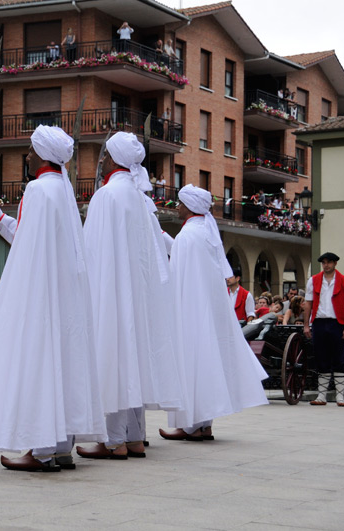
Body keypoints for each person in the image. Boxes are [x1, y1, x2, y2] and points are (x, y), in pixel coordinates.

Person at [0, 125, 106, 472]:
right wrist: (4, 220)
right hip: (64, 293)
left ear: (43, 156)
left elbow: (29, 246)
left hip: (42, 293)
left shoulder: (38, 190)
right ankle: (60, 446)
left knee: (40, 361)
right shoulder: (62, 190)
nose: (26, 156)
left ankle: (41, 451)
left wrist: (6, 226)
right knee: (62, 362)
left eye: (31, 151)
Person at [76, 131, 184, 461]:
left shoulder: (107, 196)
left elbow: (92, 250)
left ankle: (113, 440)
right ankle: (136, 437)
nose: (103, 160)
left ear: (114, 159)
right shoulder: (140, 198)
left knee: (113, 357)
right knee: (134, 359)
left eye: (106, 155)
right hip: (139, 295)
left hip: (112, 289)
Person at [159, 185, 268, 441]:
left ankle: (193, 425)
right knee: (205, 361)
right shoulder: (204, 233)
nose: (177, 207)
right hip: (206, 309)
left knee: (194, 362)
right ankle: (203, 424)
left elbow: (178, 272)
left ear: (190, 207)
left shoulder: (189, 235)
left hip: (191, 310)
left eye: (180, 203)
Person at [302, 252, 344, 407]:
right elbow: (308, 303)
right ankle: (322, 396)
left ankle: (340, 396)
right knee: (321, 357)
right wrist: (306, 324)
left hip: (337, 322)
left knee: (339, 357)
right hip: (319, 322)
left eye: (329, 262)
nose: (326, 265)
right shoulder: (313, 280)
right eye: (324, 262)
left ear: (335, 264)